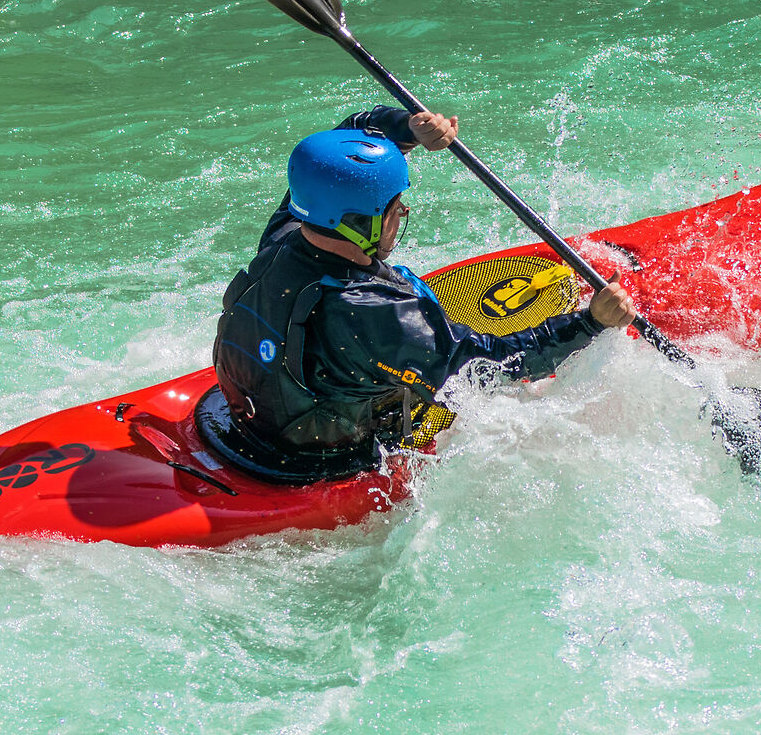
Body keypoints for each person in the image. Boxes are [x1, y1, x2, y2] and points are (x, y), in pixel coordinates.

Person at [201, 105, 636, 483]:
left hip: (252, 419)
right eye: (394, 207)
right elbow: (494, 363)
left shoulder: (287, 232)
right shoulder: (373, 314)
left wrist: (408, 129)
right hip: (321, 455)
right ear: (360, 221)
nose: (401, 212)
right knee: (531, 404)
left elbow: (342, 144)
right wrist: (590, 321)